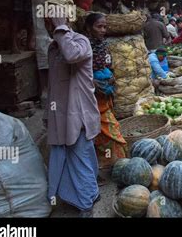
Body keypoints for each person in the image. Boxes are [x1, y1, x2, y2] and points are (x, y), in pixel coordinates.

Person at [43, 14, 101, 217]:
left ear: (63, 21)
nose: (48, 26)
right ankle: (89, 194)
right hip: (61, 114)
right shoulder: (53, 48)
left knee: (81, 159)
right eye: (47, 22)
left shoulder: (79, 42)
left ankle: (86, 206)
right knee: (79, 159)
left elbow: (71, 56)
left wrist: (61, 26)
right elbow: (52, 85)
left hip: (79, 114)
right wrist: (47, 114)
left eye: (50, 22)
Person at [84, 13, 127, 173]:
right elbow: (80, 72)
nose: (103, 30)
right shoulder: (84, 46)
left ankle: (112, 164)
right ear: (89, 28)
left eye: (105, 27)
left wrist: (111, 77)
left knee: (109, 127)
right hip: (92, 96)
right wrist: (92, 82)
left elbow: (110, 65)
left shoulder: (104, 45)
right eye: (99, 27)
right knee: (105, 129)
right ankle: (103, 167)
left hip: (105, 93)